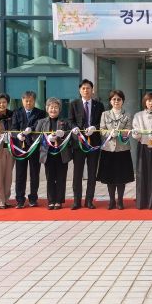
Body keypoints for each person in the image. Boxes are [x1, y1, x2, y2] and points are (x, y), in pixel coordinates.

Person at [67, 79, 105, 210]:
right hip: (78, 143)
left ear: (92, 90)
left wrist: (95, 127)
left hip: (94, 143)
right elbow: (70, 120)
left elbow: (102, 123)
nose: (86, 90)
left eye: (88, 88)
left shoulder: (99, 105)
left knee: (92, 173)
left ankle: (89, 200)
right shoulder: (74, 104)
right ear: (80, 90)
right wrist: (74, 127)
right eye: (83, 88)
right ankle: (76, 201)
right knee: (77, 173)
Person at [97, 90, 134, 210]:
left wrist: (120, 133)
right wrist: (109, 133)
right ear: (110, 101)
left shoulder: (127, 114)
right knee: (110, 177)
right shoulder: (105, 114)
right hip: (108, 149)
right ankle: (112, 200)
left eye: (119, 99)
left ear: (122, 101)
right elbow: (101, 129)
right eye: (114, 99)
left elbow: (129, 129)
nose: (116, 101)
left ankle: (120, 201)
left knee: (122, 177)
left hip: (122, 149)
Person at [11, 91, 46, 208]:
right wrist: (17, 135)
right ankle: (20, 199)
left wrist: (31, 128)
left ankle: (33, 198)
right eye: (26, 101)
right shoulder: (17, 112)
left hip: (34, 147)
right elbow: (13, 128)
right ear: (22, 101)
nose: (28, 103)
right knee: (20, 174)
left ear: (34, 101)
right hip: (20, 148)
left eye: (31, 101)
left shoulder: (40, 113)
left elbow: (40, 126)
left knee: (34, 174)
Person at [36, 97, 71, 210]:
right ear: (47, 109)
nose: (53, 109)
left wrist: (63, 135)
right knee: (50, 178)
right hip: (48, 154)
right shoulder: (41, 122)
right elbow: (35, 137)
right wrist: (46, 138)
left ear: (59, 109)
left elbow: (71, 136)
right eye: (51, 107)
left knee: (61, 178)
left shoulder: (65, 122)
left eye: (56, 107)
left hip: (62, 153)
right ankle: (51, 201)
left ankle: (59, 201)